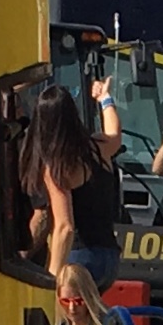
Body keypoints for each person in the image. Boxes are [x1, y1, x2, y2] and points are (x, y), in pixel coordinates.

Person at [23, 77, 124, 287]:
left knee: (68, 318)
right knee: (92, 318)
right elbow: (114, 133)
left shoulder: (57, 166)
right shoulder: (98, 148)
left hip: (79, 257)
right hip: (109, 258)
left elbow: (65, 227)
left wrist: (52, 277)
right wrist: (105, 98)